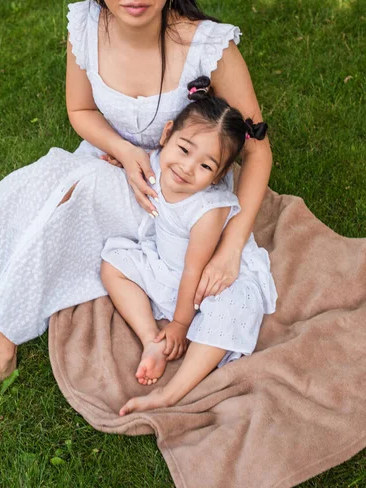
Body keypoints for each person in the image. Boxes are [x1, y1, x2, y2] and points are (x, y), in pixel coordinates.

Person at [0, 0, 272, 398]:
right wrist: (128, 151)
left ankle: (1, 341)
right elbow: (81, 111)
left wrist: (232, 246)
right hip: (115, 160)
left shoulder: (209, 47)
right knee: (39, 177)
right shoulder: (85, 28)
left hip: (173, 197)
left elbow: (258, 148)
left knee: (76, 191)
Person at [101, 79, 277, 414]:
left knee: (233, 309)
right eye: (184, 150)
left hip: (209, 281)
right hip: (170, 269)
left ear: (218, 177)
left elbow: (195, 270)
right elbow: (144, 165)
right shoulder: (157, 162)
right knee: (113, 263)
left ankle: (171, 393)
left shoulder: (206, 212)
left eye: (206, 166)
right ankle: (152, 339)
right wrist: (118, 160)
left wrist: (181, 325)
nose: (186, 168)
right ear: (166, 135)